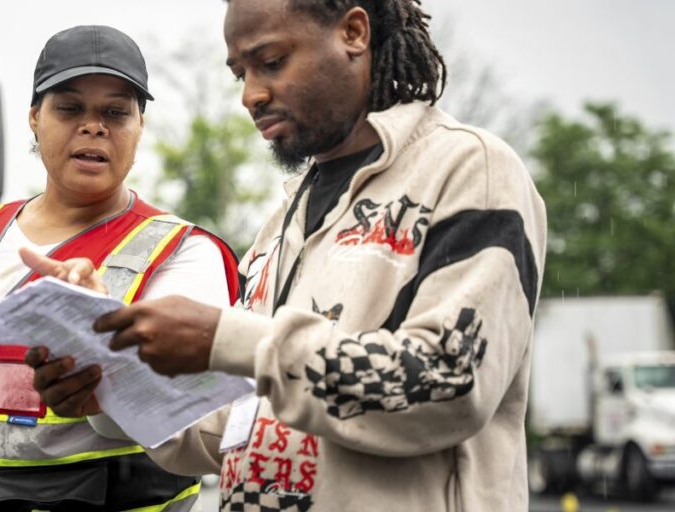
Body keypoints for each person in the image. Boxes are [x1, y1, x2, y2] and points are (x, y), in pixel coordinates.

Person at [27, 1, 548, 511]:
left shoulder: (468, 169)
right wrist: (109, 387)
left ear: (353, 32)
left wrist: (225, 340)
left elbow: (448, 384)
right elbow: (240, 421)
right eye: (240, 74)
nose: (251, 95)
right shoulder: (283, 223)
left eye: (272, 61)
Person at [0, 25, 240, 512]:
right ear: (34, 118)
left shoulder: (184, 252)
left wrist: (104, 331)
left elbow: (193, 418)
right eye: (70, 107)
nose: (94, 126)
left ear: (141, 127)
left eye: (116, 112)